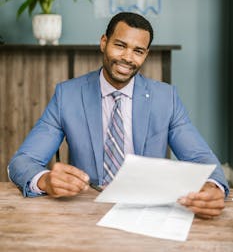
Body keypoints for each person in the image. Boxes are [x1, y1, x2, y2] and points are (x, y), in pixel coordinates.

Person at [8, 12, 229, 219]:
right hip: (86, 209)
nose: (127, 58)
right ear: (104, 42)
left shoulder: (166, 98)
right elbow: (23, 161)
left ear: (145, 54)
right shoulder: (67, 95)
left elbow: (201, 158)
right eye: (120, 45)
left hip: (150, 210)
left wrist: (213, 186)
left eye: (138, 51)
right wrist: (45, 180)